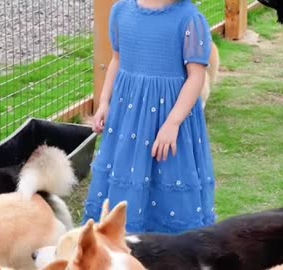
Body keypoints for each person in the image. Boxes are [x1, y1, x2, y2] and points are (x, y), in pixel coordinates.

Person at [83, 0, 216, 234]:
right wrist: (104, 101)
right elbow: (117, 60)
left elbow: (196, 76)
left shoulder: (189, 19)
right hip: (128, 118)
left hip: (170, 120)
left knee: (168, 175)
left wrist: (173, 123)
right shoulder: (120, 12)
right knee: (128, 174)